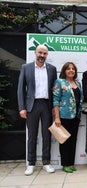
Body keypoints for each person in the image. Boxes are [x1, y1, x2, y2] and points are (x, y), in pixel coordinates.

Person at [17, 44, 57, 175]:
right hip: (31, 106)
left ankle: (46, 162)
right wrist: (22, 108)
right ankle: (31, 163)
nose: (42, 55)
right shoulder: (26, 68)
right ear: (35, 53)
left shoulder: (52, 69)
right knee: (32, 136)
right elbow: (20, 89)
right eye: (40, 53)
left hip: (46, 105)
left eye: (45, 53)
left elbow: (54, 91)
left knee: (47, 135)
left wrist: (54, 108)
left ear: (47, 55)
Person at [53, 62, 83, 173]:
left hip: (76, 116)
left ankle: (71, 163)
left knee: (73, 140)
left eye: (73, 69)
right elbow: (55, 100)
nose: (71, 70)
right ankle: (65, 164)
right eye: (68, 68)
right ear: (64, 71)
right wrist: (57, 117)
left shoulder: (78, 84)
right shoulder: (60, 82)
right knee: (65, 141)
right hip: (64, 116)